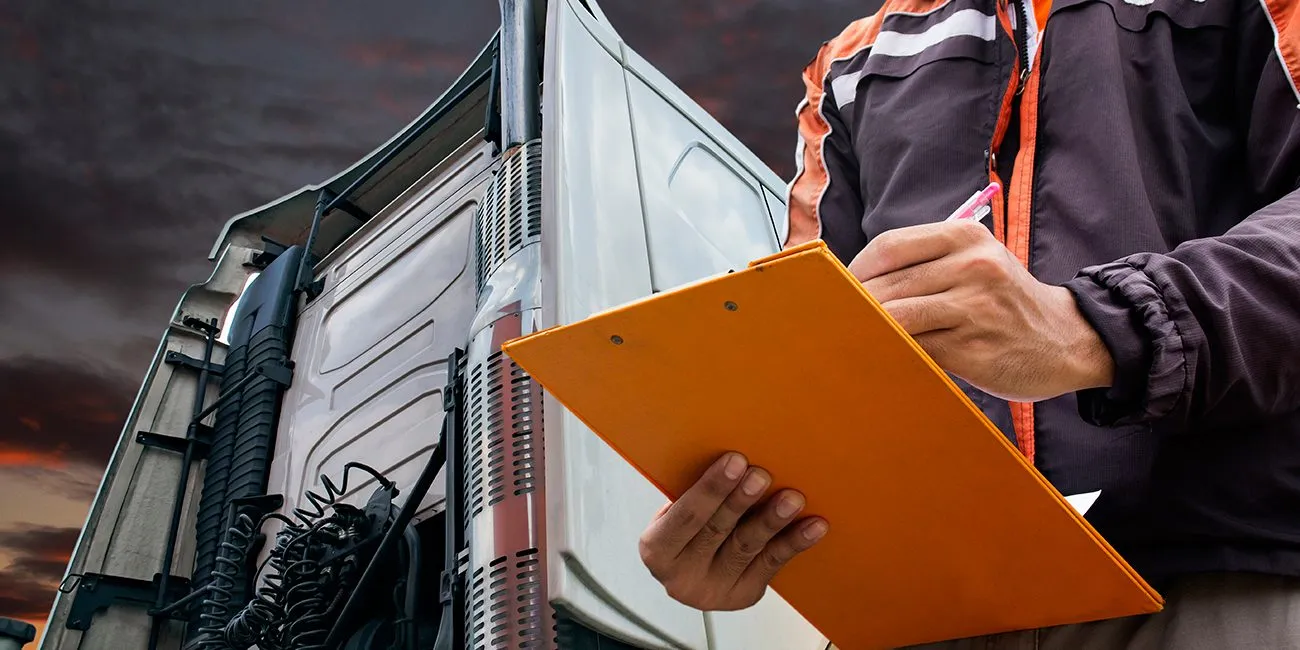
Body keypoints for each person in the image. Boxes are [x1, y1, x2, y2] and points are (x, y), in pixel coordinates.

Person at [636, 0, 1300, 646]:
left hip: (1217, 588)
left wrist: (1095, 328)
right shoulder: (849, 63)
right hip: (927, 609)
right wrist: (740, 515)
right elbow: (811, 342)